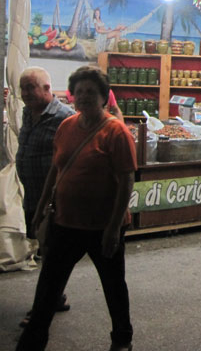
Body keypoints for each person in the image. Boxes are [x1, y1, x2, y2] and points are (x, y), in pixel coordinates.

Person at [17, 66, 137, 351]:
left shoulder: (116, 132)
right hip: (65, 223)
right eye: (79, 91)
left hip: (102, 226)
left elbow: (126, 181)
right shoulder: (67, 126)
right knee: (47, 289)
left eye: (90, 92)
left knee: (113, 286)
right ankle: (31, 343)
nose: (83, 97)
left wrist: (112, 228)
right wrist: (42, 208)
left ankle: (122, 340)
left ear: (103, 97)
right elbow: (56, 170)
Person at [16, 67, 75, 323]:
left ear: (48, 89)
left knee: (51, 252)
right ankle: (56, 297)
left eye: (31, 87)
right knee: (44, 247)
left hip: (54, 198)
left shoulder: (65, 117)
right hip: (32, 195)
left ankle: (43, 307)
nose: (26, 93)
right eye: (23, 87)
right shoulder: (27, 113)